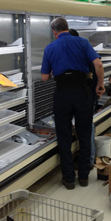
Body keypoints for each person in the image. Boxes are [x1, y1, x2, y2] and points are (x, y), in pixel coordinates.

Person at [41, 18, 105, 190]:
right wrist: (100, 84)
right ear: (68, 28)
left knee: (64, 136)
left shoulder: (50, 48)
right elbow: (98, 64)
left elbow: (45, 77)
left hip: (62, 93)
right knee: (84, 134)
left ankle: (69, 179)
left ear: (54, 32)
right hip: (82, 92)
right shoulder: (82, 42)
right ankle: (84, 177)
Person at [69, 28, 98, 166]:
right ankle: (87, 158)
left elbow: (96, 69)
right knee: (87, 128)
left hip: (86, 95)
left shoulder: (80, 54)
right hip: (86, 95)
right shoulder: (84, 51)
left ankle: (89, 160)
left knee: (87, 129)